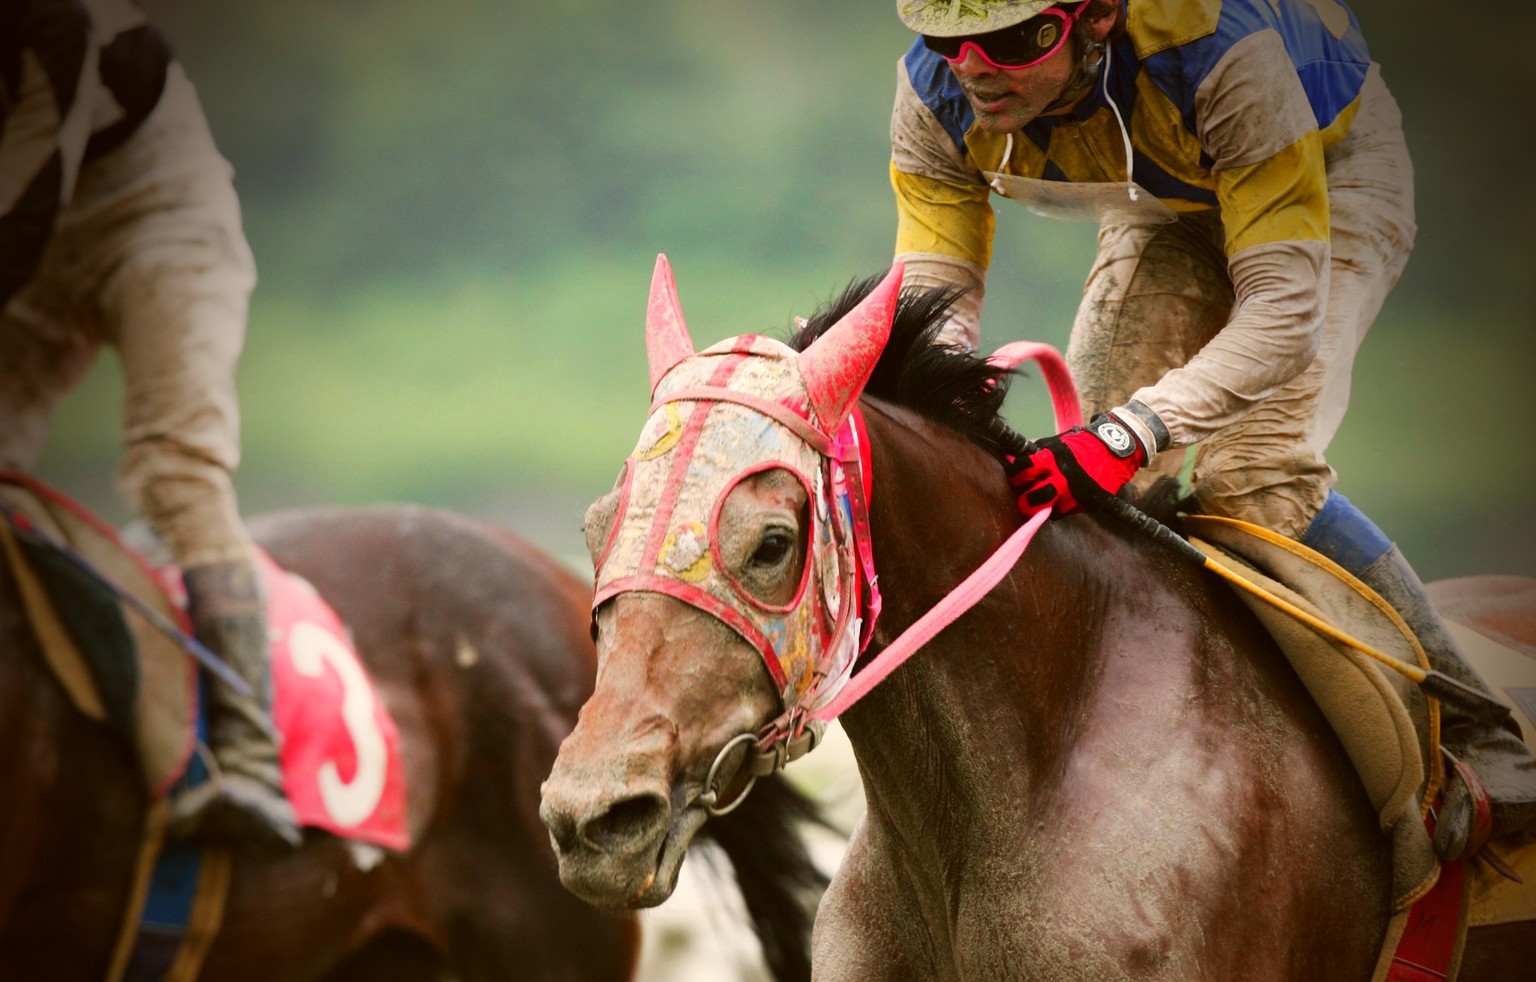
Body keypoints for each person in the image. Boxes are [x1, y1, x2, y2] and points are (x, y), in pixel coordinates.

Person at [889, 0, 1534, 859]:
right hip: (1165, 203)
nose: (971, 65)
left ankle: (1484, 731)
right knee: (1117, 495)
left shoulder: (1225, 56)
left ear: (1096, 17)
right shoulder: (929, 91)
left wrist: (1129, 432)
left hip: (1327, 177)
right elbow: (935, 297)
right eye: (945, 37)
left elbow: (1282, 314)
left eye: (1012, 39)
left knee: (1253, 477)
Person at [0, 0, 299, 849]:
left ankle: (250, 755)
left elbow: (20, 216)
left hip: (155, 217)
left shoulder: (46, 23)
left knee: (176, 470)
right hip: (31, 224)